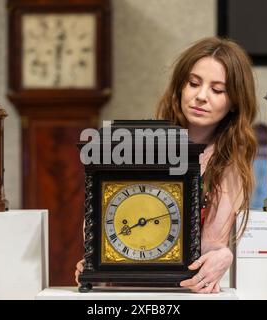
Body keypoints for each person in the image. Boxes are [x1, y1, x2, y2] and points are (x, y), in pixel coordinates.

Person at [75, 36, 257, 293]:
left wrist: (223, 254)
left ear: (234, 103)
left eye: (218, 90)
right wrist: (97, 256)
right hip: (126, 290)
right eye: (193, 83)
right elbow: (100, 217)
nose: (201, 96)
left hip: (183, 291)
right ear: (180, 87)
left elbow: (210, 245)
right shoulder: (139, 144)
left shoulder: (229, 164)